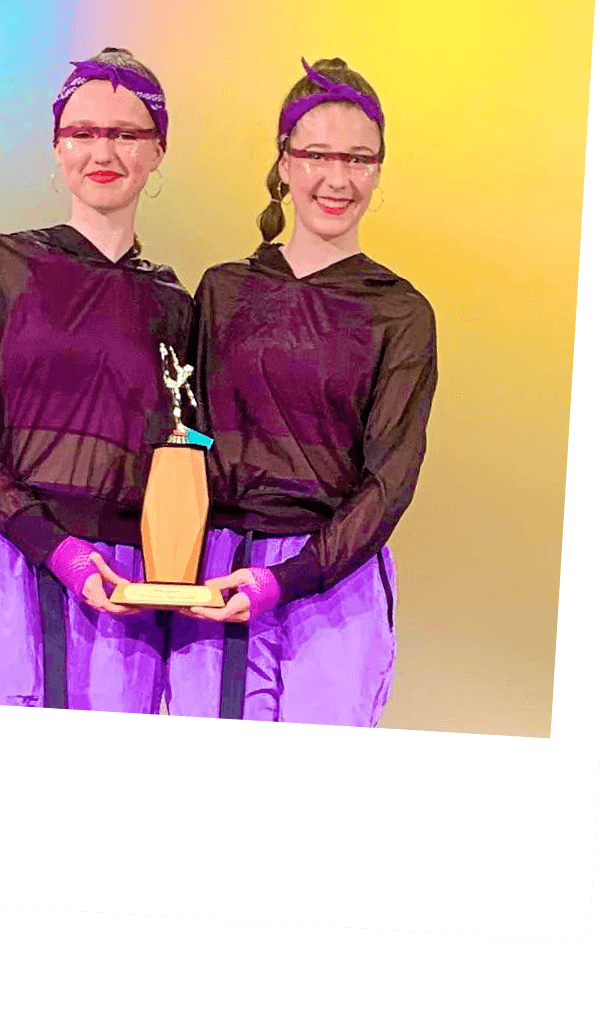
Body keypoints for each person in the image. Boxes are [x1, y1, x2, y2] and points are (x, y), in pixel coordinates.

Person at [167, 57, 438, 727]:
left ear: (378, 169)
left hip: (334, 588)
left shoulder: (399, 312)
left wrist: (286, 578)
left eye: (359, 159)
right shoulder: (222, 291)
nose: (338, 178)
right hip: (217, 574)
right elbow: (187, 436)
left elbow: (389, 481)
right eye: (317, 154)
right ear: (284, 163)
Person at [0, 47, 192, 712]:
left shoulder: (173, 304)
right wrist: (57, 550)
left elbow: (182, 452)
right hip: (4, 562)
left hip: (122, 588)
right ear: (56, 147)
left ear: (158, 150)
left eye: (126, 134)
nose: (102, 150)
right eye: (82, 132)